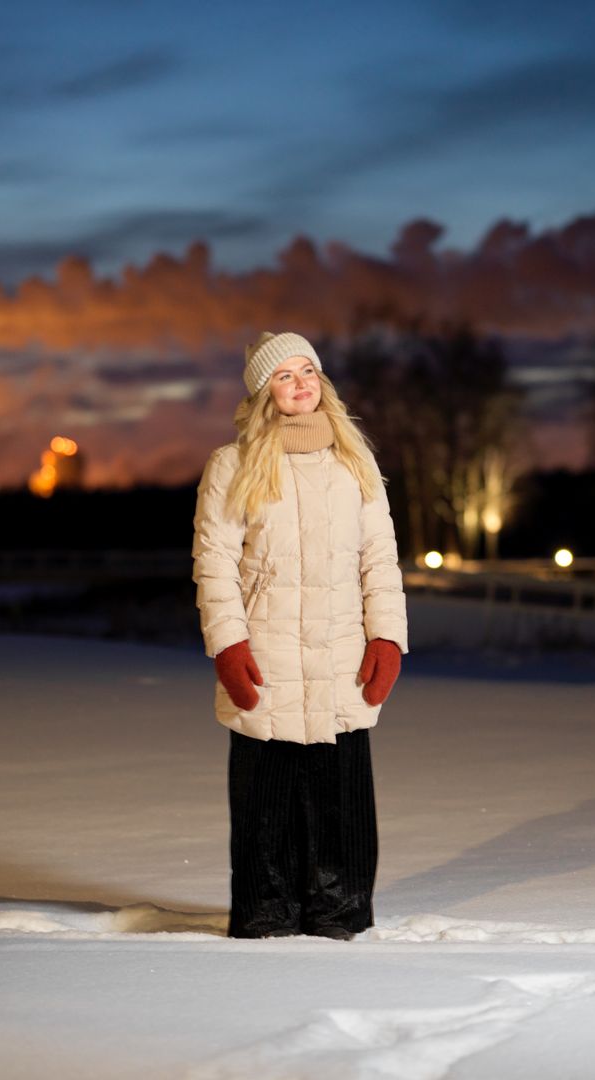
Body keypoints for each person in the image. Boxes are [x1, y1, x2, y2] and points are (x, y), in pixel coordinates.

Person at [191, 330, 408, 940]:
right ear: (265, 391)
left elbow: (379, 559)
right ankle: (267, 911)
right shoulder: (232, 463)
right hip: (269, 653)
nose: (300, 383)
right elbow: (215, 562)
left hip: (342, 655)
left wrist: (386, 638)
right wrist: (228, 644)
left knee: (341, 792)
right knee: (267, 792)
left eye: (307, 370)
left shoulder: (354, 460)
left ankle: (338, 910)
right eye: (283, 375)